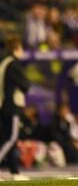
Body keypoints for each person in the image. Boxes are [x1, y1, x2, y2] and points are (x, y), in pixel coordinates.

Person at [0, 35, 31, 181]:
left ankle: (14, 172)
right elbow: (25, 85)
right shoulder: (14, 64)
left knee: (8, 138)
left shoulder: (4, 62)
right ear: (17, 48)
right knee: (11, 138)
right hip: (11, 105)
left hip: (3, 104)